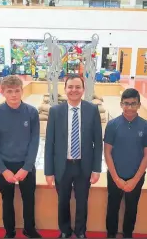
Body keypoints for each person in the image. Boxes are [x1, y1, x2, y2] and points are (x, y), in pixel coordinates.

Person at [44, 74, 103, 238]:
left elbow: (98, 142)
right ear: (65, 89)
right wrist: (48, 171)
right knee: (62, 201)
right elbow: (49, 143)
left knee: (82, 202)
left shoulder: (92, 110)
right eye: (70, 87)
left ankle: (80, 231)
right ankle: (64, 230)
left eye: (78, 87)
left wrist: (97, 168)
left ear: (83, 90)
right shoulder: (55, 111)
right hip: (62, 165)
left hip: (84, 165)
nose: (74, 90)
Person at [0, 75, 41, 238]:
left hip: (26, 165)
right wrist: (2, 170)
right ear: (3, 92)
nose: (14, 95)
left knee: (29, 200)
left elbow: (34, 141)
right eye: (9, 91)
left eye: (17, 91)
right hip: (5, 165)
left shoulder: (31, 112)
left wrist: (26, 167)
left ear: (22, 91)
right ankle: (9, 231)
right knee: (7, 200)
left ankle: (29, 228)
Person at [104, 88, 147, 238]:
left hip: (136, 176)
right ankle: (111, 234)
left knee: (131, 208)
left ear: (139, 105)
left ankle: (127, 234)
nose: (130, 107)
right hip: (115, 175)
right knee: (112, 207)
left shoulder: (146, 127)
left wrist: (135, 179)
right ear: (121, 104)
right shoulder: (112, 125)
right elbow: (107, 152)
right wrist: (116, 178)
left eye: (133, 104)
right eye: (126, 104)